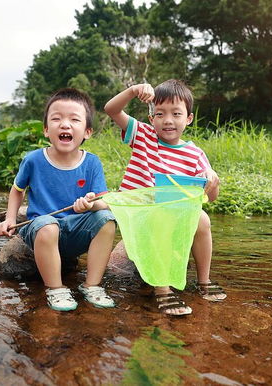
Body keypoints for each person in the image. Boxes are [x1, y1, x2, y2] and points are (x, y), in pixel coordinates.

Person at [104, 79, 226, 316]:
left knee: (202, 219)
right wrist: (132, 91)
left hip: (174, 216)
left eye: (176, 114)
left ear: (188, 118)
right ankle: (163, 291)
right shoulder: (143, 135)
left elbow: (211, 198)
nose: (168, 120)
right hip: (141, 214)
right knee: (158, 218)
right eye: (160, 114)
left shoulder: (194, 154)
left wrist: (212, 180)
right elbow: (111, 109)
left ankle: (204, 280)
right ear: (152, 119)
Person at [0, 88, 116, 312]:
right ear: (46, 130)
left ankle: (92, 285)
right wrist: (10, 219)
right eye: (57, 118)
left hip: (75, 230)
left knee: (107, 220)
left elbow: (104, 202)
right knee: (48, 226)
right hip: (41, 229)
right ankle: (56, 288)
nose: (65, 124)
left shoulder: (92, 163)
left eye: (74, 119)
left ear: (87, 131)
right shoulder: (33, 160)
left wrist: (90, 205)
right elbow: (17, 190)